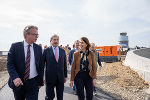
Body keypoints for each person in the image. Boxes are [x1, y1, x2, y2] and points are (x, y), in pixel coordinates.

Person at [7, 25, 43, 100]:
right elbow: (10, 64)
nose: (37, 36)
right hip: (19, 83)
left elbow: (40, 66)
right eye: (35, 34)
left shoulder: (38, 48)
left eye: (37, 35)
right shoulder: (15, 46)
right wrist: (15, 77)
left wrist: (40, 81)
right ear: (26, 34)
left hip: (33, 83)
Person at [42, 34, 67, 100]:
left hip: (60, 77)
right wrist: (42, 77)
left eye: (57, 40)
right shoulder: (46, 50)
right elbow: (42, 65)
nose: (56, 41)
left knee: (60, 96)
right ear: (51, 41)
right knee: (49, 97)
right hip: (49, 77)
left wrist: (65, 76)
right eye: (54, 39)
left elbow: (64, 64)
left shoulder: (62, 51)